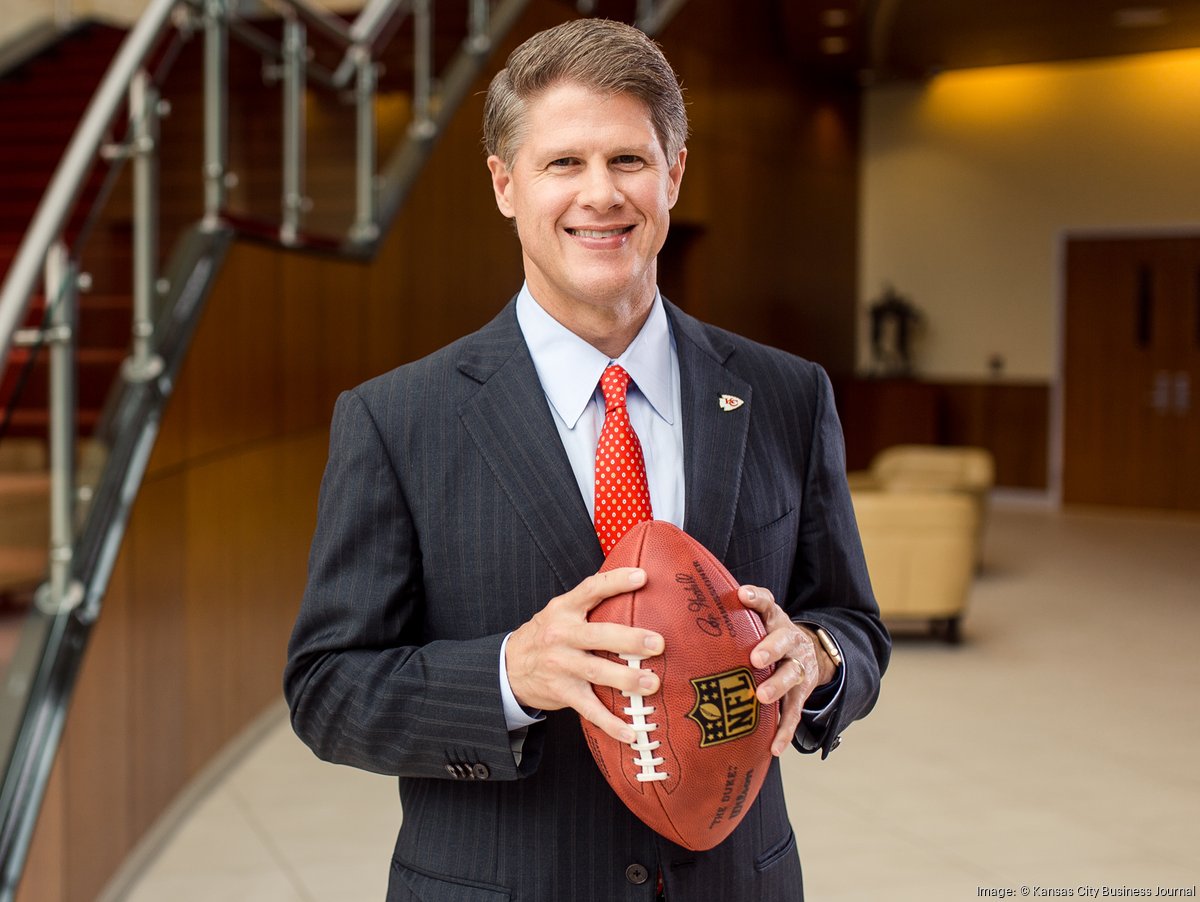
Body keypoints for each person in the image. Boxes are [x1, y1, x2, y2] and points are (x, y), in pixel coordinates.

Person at [284, 17, 889, 902]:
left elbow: (856, 623)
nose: (599, 195)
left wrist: (823, 658)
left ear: (673, 174)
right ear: (505, 185)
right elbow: (328, 689)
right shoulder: (395, 419)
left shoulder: (786, 395)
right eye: (563, 163)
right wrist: (508, 675)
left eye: (629, 161)